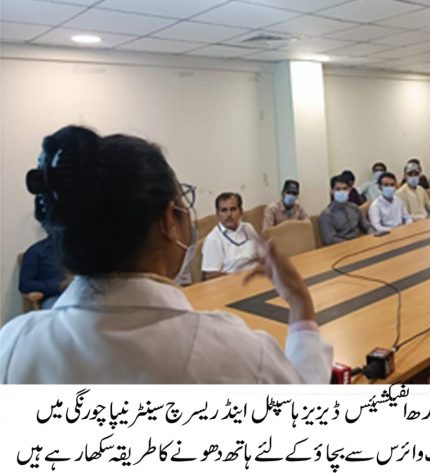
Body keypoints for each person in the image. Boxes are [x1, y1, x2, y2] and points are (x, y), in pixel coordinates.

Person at [0, 125, 332, 384]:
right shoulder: (237, 352)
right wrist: (301, 305)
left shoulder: (12, 345)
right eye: (181, 205)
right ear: (168, 221)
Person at [202, 192, 262, 281]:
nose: (229, 214)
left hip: (257, 278)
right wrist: (239, 278)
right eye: (224, 210)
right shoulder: (213, 239)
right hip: (233, 283)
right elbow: (211, 275)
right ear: (217, 214)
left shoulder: (248, 228)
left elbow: (262, 255)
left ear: (241, 212)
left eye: (233, 209)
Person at [319, 174, 373, 245]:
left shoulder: (354, 207)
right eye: (338, 189)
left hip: (359, 242)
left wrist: (371, 235)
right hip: (342, 246)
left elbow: (367, 226)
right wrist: (351, 244)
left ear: (349, 190)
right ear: (332, 191)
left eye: (344, 189)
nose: (342, 192)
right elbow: (330, 239)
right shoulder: (327, 214)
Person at [19, 236, 68, 310]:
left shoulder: (81, 249)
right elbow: (25, 285)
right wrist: (58, 286)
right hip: (55, 297)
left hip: (82, 296)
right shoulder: (36, 251)